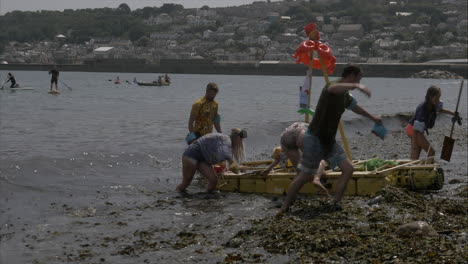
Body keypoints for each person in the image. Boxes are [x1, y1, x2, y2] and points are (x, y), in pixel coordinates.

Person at [279, 65, 382, 214]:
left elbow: (355, 107)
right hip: (314, 139)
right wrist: (357, 86)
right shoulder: (332, 86)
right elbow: (333, 89)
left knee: (348, 169)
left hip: (329, 141)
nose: (361, 80)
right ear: (351, 76)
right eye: (359, 77)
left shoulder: (346, 95)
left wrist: (373, 118)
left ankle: (334, 203)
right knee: (304, 175)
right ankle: (285, 206)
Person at [262, 122, 328, 195]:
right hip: (301, 134)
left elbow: (278, 159)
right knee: (320, 161)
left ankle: (290, 196)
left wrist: (268, 169)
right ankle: (318, 181)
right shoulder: (313, 131)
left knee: (300, 172)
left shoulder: (296, 127)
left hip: (284, 138)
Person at [176, 128, 247, 195]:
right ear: (237, 137)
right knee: (186, 182)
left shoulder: (227, 142)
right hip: (191, 155)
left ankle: (207, 198)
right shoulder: (226, 140)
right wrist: (235, 166)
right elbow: (225, 154)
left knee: (213, 180)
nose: (241, 142)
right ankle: (176, 194)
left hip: (202, 159)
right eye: (241, 139)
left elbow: (220, 155)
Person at [406, 85, 461, 160]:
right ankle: (428, 169)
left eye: (439, 97)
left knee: (418, 151)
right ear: (430, 96)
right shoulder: (423, 108)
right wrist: (415, 141)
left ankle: (414, 167)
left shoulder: (433, 104)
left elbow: (440, 110)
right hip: (414, 130)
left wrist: (452, 113)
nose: (438, 100)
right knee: (429, 152)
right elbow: (417, 125)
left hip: (417, 130)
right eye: (437, 97)